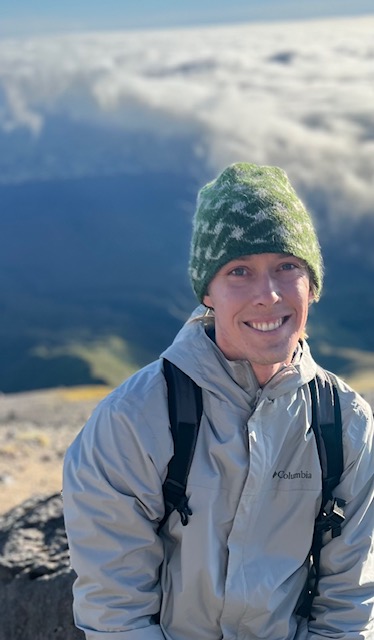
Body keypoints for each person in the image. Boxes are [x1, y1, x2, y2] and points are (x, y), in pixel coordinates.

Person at [63, 163, 374, 640]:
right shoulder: (133, 420)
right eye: (239, 271)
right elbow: (116, 612)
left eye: (286, 267)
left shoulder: (347, 425)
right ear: (207, 290)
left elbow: (350, 604)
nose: (267, 295)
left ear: (311, 284)